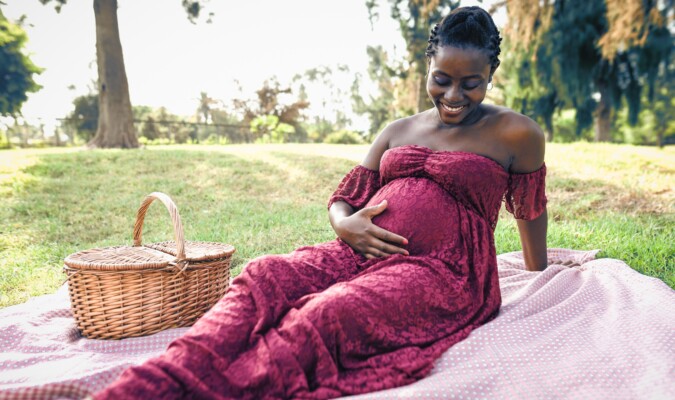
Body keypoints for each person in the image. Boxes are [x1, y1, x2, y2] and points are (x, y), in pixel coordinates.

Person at [94, 6, 547, 400]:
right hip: (353, 249)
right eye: (441, 80)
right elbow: (345, 198)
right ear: (427, 66)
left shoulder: (516, 134)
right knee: (264, 274)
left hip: (441, 269)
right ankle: (161, 379)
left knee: (330, 312)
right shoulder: (398, 129)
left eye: (471, 84)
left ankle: (224, 389)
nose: (453, 96)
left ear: (490, 75)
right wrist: (344, 226)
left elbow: (529, 208)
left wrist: (539, 270)